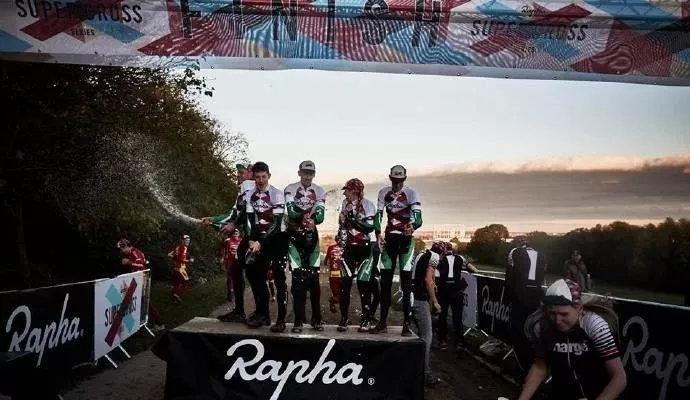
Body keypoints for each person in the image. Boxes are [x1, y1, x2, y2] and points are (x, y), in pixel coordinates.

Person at [519, 279, 627, 400]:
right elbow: (540, 366)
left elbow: (619, 378)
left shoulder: (594, 325)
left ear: (579, 308)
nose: (557, 320)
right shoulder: (543, 326)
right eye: (552, 313)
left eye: (564, 314)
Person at [370, 165, 423, 334]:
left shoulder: (412, 193)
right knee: (385, 283)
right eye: (394, 180)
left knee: (406, 284)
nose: (397, 183)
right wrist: (378, 233)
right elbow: (378, 215)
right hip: (389, 240)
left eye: (400, 180)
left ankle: (407, 323)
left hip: (406, 241)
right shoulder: (383, 192)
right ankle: (382, 322)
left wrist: (412, 226)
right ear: (390, 178)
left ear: (404, 179)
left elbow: (418, 218)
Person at [202, 163, 254, 322]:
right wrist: (213, 220)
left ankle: (260, 314)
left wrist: (227, 223)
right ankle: (240, 311)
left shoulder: (249, 186)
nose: (238, 175)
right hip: (249, 237)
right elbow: (232, 214)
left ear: (250, 174)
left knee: (254, 276)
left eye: (241, 172)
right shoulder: (241, 191)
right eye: (237, 172)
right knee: (237, 271)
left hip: (258, 239)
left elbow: (239, 214)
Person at [279, 160, 327, 333]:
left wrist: (312, 219)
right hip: (294, 238)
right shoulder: (290, 188)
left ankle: (316, 319)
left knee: (314, 281)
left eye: (310, 173)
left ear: (314, 174)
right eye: (304, 173)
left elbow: (320, 216)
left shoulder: (320, 191)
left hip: (312, 239)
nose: (307, 176)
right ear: (299, 173)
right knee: (298, 281)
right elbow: (291, 211)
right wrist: (306, 217)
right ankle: (298, 321)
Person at [243, 162, 286, 329]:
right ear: (253, 177)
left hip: (277, 238)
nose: (260, 180)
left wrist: (260, 242)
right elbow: (249, 220)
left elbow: (276, 224)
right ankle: (263, 314)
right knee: (253, 272)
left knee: (279, 278)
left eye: (263, 177)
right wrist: (250, 240)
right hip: (259, 238)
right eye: (257, 177)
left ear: (269, 176)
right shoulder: (250, 194)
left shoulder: (277, 194)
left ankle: (281, 320)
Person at [337, 178, 378, 333]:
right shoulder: (344, 203)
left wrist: (351, 219)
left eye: (347, 190)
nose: (345, 193)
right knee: (345, 284)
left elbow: (369, 227)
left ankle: (366, 319)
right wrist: (341, 227)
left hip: (364, 249)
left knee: (363, 285)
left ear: (355, 191)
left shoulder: (368, 205)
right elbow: (343, 224)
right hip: (349, 248)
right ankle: (344, 319)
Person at [505, 235, 546, 370]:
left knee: (518, 329)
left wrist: (509, 296)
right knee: (532, 328)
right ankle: (534, 359)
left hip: (520, 295)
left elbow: (509, 275)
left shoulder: (514, 252)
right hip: (536, 295)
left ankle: (524, 362)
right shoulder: (542, 255)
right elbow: (542, 275)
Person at [411, 241, 444, 387]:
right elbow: (428, 279)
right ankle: (425, 375)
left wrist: (433, 282)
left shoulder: (423, 254)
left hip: (411, 296)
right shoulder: (434, 257)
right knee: (426, 338)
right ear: (441, 254)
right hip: (420, 299)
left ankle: (413, 371)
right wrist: (435, 301)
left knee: (416, 337)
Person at [435, 241, 478, 351]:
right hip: (456, 291)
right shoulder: (460, 258)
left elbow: (436, 274)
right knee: (457, 317)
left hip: (444, 291)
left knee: (442, 316)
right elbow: (474, 270)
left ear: (444, 250)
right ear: (453, 250)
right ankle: (459, 342)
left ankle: (442, 341)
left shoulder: (440, 259)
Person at [117, 238, 163, 330]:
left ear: (126, 246)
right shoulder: (132, 252)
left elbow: (141, 265)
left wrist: (128, 262)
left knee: (146, 303)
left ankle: (159, 324)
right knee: (141, 302)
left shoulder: (134, 252)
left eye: (122, 249)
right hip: (138, 280)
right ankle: (140, 324)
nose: (121, 251)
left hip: (142, 280)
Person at [168, 234, 194, 304]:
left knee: (177, 283)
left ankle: (174, 299)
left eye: (188, 241)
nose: (188, 242)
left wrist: (174, 258)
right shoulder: (184, 248)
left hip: (175, 267)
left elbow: (169, 255)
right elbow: (181, 259)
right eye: (186, 240)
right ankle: (176, 294)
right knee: (186, 282)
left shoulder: (178, 247)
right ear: (182, 241)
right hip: (181, 268)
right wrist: (189, 261)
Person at [220, 230, 242, 304]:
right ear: (232, 234)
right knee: (230, 278)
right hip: (230, 262)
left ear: (239, 234)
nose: (235, 234)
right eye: (234, 233)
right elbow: (222, 248)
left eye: (237, 233)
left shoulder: (241, 240)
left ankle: (237, 293)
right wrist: (222, 257)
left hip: (238, 262)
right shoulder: (227, 240)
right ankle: (230, 294)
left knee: (238, 278)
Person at [324, 240, 345, 313]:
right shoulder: (347, 248)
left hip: (334, 274)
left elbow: (325, 261)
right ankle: (333, 302)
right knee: (342, 295)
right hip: (342, 274)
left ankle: (333, 302)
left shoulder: (331, 248)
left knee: (337, 294)